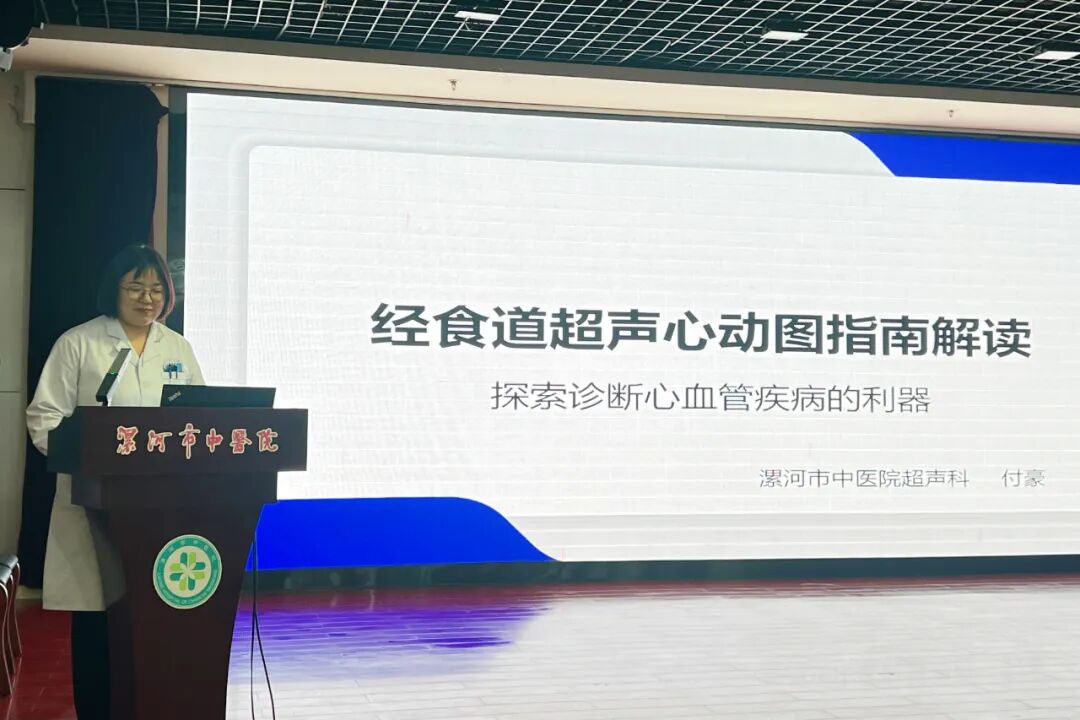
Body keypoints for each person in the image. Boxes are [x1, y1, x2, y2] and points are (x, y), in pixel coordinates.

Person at [25, 244, 205, 719]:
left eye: (157, 289)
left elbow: (200, 419)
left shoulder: (177, 348)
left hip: (161, 511)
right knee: (98, 623)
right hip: (95, 507)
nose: (147, 298)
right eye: (136, 287)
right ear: (115, 290)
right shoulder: (78, 343)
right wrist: (87, 460)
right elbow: (44, 418)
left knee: (152, 624)